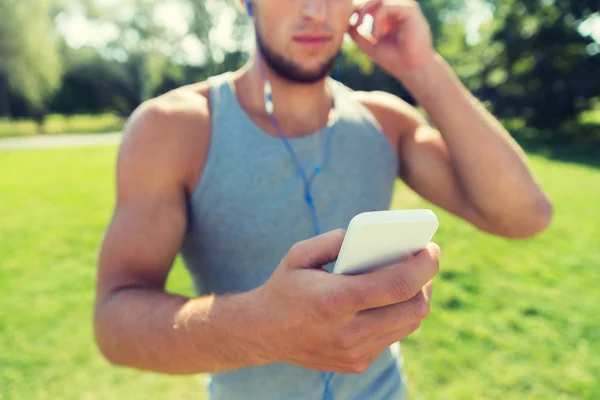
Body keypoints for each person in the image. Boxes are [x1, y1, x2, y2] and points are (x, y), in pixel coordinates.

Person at [93, 0, 553, 399]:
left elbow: (524, 216)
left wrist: (423, 69)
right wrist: (264, 331)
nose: (315, 11)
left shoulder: (386, 122)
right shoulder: (173, 129)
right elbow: (114, 323)